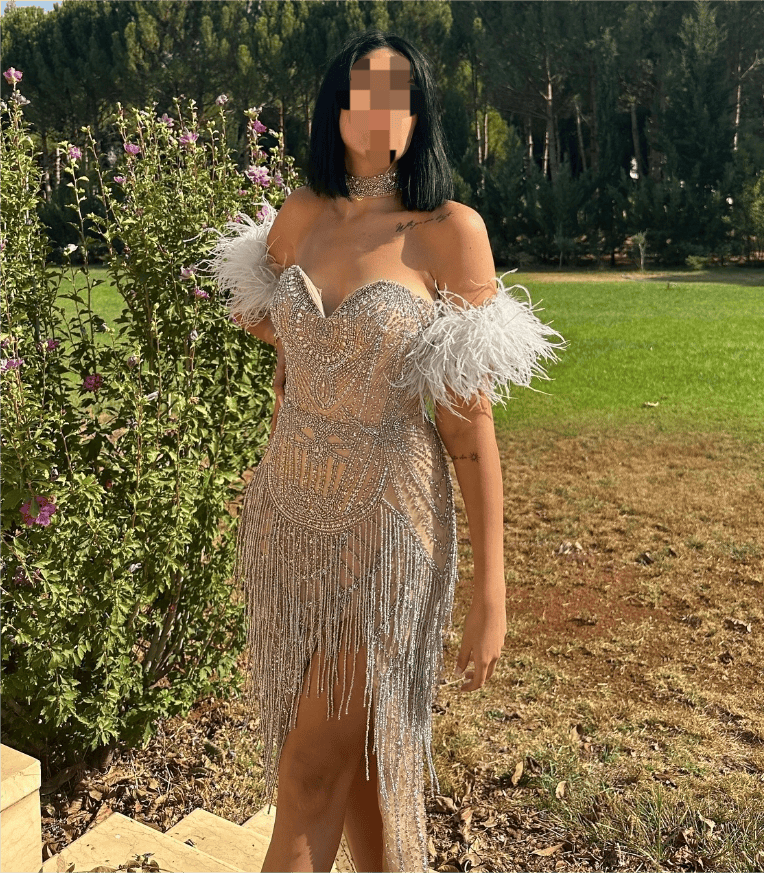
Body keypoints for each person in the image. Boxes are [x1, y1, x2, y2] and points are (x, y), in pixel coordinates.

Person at [205, 29, 567, 873]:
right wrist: (305, 372)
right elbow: (267, 322)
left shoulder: (448, 231)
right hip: (291, 520)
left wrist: (490, 588)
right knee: (363, 762)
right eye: (363, 91)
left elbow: (467, 428)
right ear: (334, 108)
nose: (381, 109)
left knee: (308, 770)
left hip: (390, 528)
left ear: (419, 113)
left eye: (399, 93)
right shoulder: (301, 213)